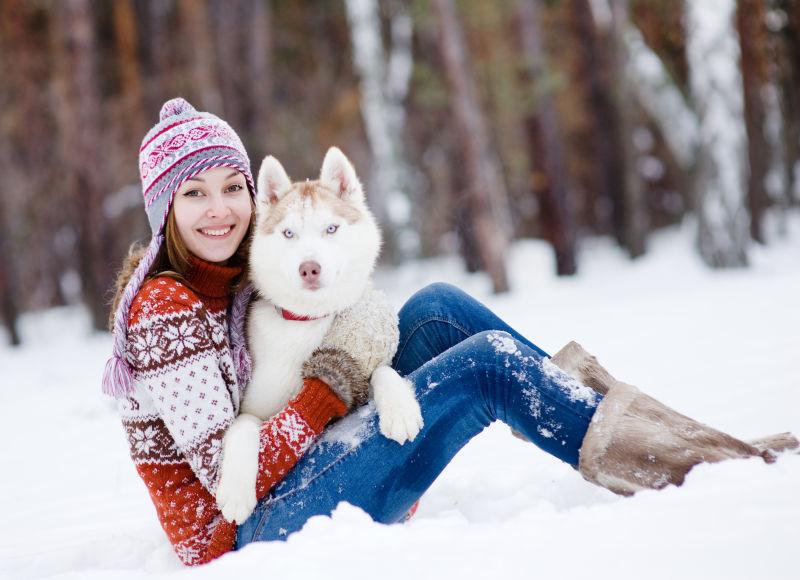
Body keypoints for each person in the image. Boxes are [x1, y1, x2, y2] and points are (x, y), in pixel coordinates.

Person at [104, 97, 797, 567]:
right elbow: (243, 476)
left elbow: (359, 317)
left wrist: (358, 353)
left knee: (436, 307)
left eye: (232, 187)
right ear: (163, 210)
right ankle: (688, 468)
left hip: (297, 467)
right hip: (246, 534)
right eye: (194, 194)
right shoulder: (165, 309)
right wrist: (333, 382)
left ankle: (653, 436)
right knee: (487, 366)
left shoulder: (239, 274)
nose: (220, 209)